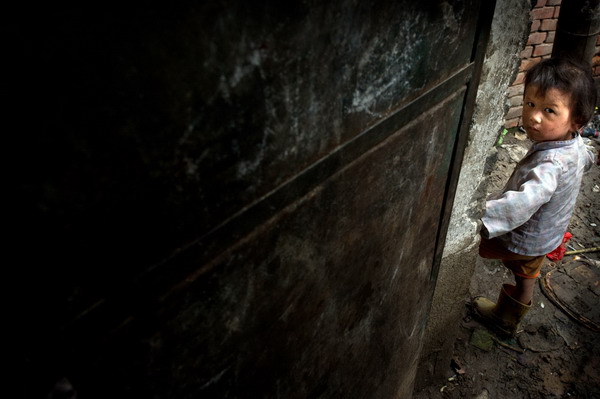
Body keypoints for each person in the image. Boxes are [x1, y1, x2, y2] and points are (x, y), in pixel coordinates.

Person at [473, 57, 598, 336]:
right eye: (530, 104)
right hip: (548, 233)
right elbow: (588, 156)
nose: (534, 116)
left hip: (527, 236)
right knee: (526, 274)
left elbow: (523, 203)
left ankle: (505, 318)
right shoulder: (575, 146)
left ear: (576, 120)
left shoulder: (550, 165)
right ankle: (510, 315)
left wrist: (478, 217)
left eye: (549, 110)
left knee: (481, 248)